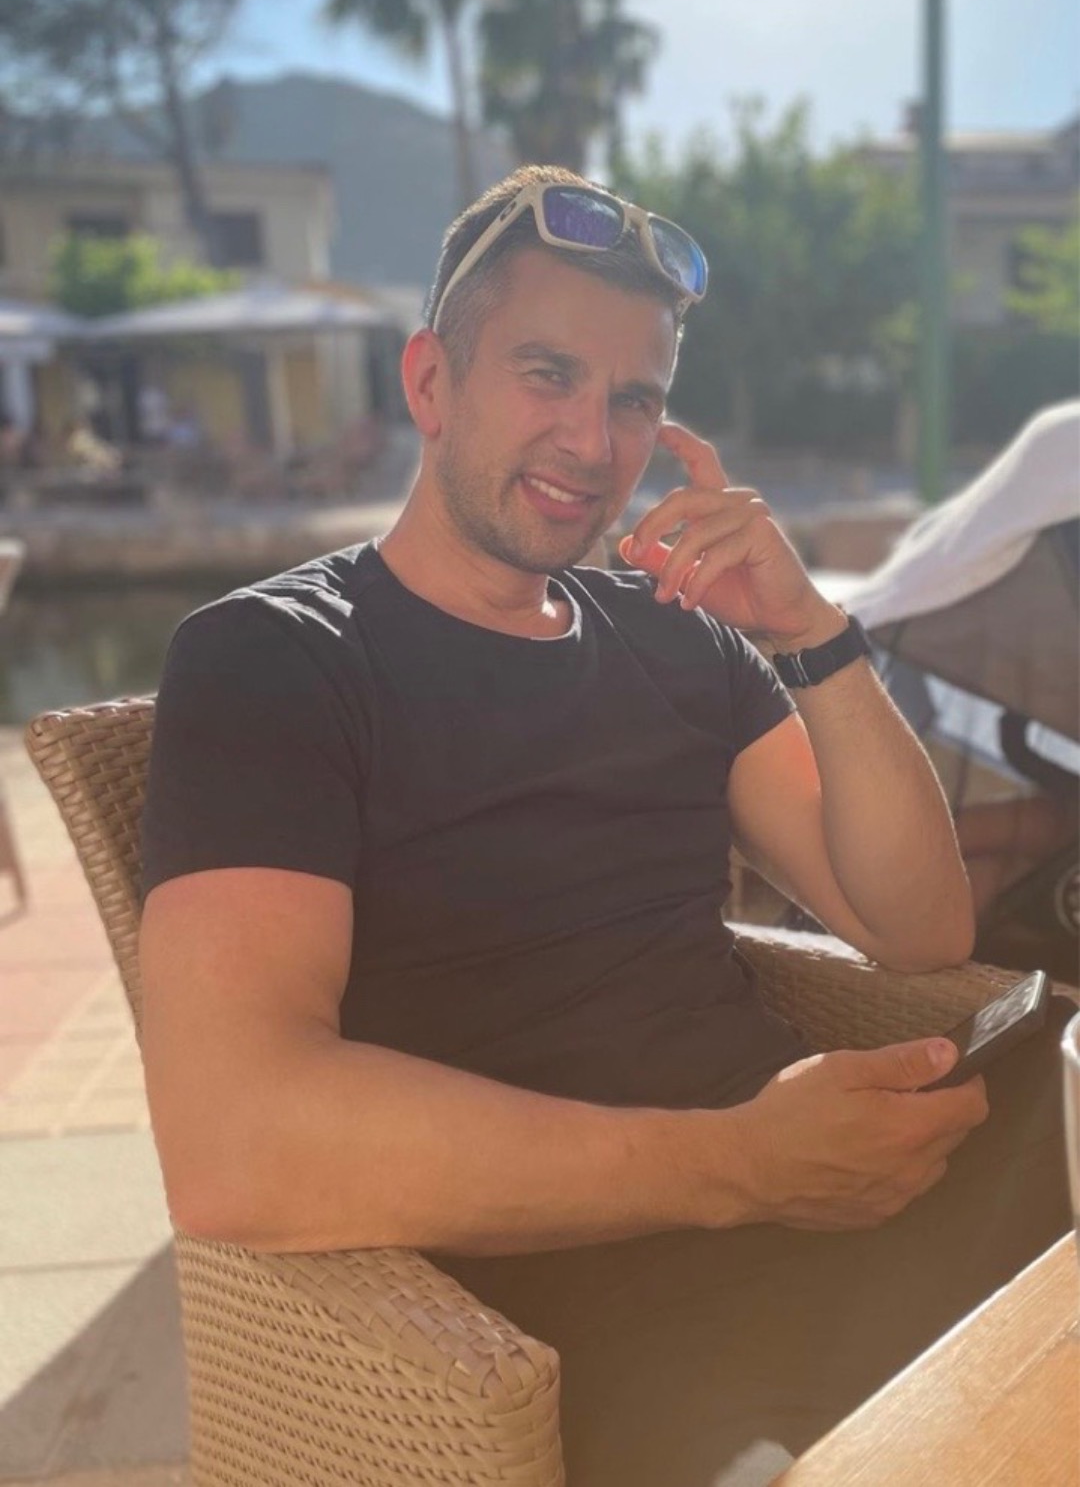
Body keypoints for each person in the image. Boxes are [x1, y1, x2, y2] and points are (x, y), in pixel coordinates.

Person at [137, 165, 1070, 1487]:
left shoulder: (679, 637)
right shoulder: (278, 659)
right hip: (601, 1296)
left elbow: (919, 926)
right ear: (431, 383)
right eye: (548, 374)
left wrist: (811, 633)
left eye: (635, 397)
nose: (593, 440)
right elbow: (237, 1138)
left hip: (833, 1193)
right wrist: (739, 1166)